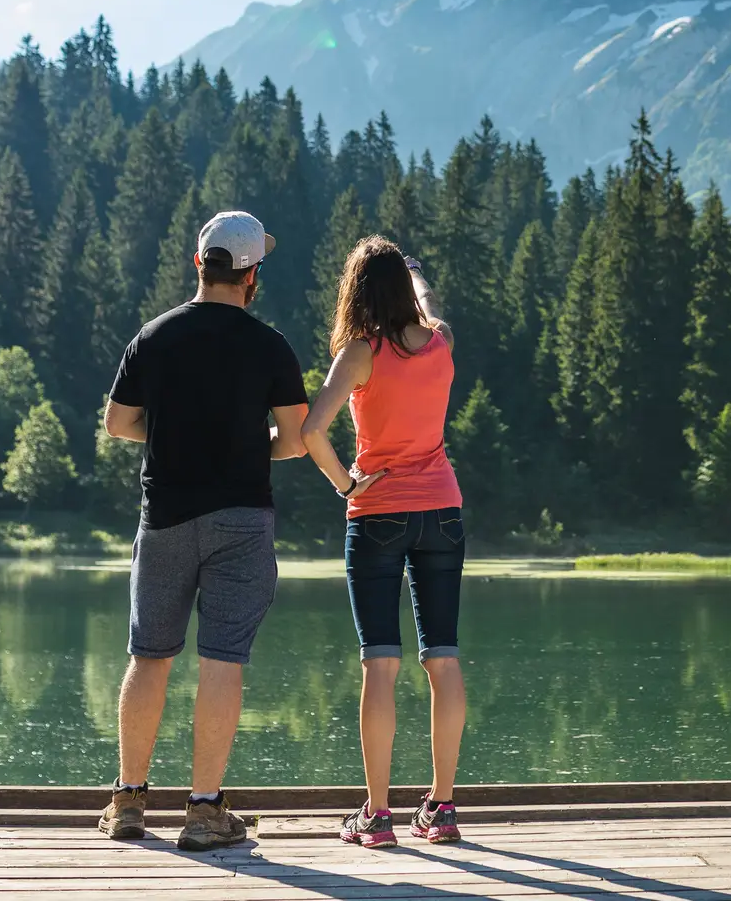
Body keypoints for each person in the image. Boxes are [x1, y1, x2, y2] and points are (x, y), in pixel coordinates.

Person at [98, 210, 309, 851]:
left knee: (149, 655)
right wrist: (248, 448)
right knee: (223, 657)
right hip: (241, 520)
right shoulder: (269, 345)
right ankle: (203, 810)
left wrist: (167, 436)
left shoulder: (153, 337)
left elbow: (116, 422)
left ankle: (129, 802)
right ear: (253, 275)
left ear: (199, 264)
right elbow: (297, 440)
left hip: (163, 516)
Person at [302, 236, 466, 850]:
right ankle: (442, 809)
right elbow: (426, 304)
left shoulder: (360, 353)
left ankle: (377, 817)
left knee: (381, 662)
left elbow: (313, 429)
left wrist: (346, 482)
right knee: (442, 657)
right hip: (443, 510)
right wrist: (416, 272)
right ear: (407, 290)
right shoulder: (441, 340)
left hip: (376, 514)